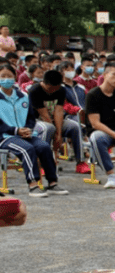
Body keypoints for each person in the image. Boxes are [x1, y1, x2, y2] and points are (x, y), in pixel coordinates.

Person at [0, 65, 68, 196]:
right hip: (5, 137)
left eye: (9, 76)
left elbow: (31, 117)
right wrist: (15, 130)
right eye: (2, 76)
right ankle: (33, 184)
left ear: (14, 77)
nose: (6, 79)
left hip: (24, 133)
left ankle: (53, 182)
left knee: (44, 146)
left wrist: (28, 129)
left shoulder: (23, 96)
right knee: (27, 149)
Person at [29, 69, 86, 173]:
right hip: (36, 122)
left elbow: (59, 111)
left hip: (55, 121)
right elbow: (44, 114)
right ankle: (42, 164)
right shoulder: (35, 90)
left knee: (75, 127)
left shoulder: (61, 90)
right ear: (45, 83)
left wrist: (59, 134)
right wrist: (56, 135)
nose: (53, 91)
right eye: (50, 89)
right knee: (48, 128)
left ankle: (81, 162)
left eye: (56, 88)